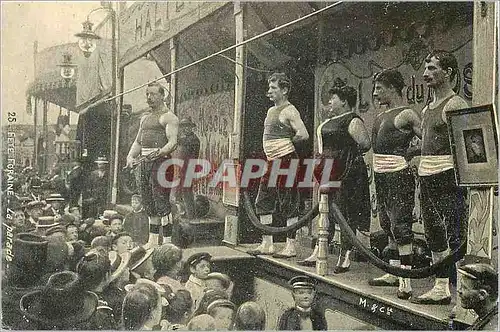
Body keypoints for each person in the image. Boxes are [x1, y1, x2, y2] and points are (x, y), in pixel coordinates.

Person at [411, 50, 469, 305]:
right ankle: (441, 286)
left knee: (453, 231)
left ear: (448, 72)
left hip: (447, 176)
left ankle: (462, 290)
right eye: (426, 68)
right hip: (427, 175)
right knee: (433, 231)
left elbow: (466, 146)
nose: (426, 74)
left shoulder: (455, 104)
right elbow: (428, 143)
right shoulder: (427, 109)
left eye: (433, 68)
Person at [298, 80, 371, 273]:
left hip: (346, 171)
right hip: (327, 169)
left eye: (333, 98)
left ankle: (345, 255)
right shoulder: (328, 122)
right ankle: (319, 250)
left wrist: (345, 158)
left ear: (344, 101)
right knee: (325, 210)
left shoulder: (352, 120)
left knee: (345, 211)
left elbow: (364, 144)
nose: (329, 102)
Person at [367, 69, 422, 300]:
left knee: (401, 225)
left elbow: (428, 140)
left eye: (379, 88)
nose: (375, 93)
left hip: (398, 174)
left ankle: (405, 281)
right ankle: (392, 271)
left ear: (392, 88)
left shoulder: (408, 114)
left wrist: (410, 153)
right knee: (386, 222)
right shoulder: (381, 116)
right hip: (381, 175)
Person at [248, 73, 310, 258]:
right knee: (263, 200)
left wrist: (286, 143)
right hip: (271, 161)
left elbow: (303, 134)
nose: (269, 91)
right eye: (269, 88)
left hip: (286, 159)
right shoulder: (270, 111)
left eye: (273, 88)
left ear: (284, 90)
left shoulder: (290, 110)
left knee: (289, 202)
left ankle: (290, 246)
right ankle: (267, 244)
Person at [126, 82, 179, 249]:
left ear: (162, 96)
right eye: (147, 94)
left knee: (161, 201)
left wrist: (158, 153)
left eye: (153, 94)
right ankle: (153, 240)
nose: (149, 97)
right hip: (144, 163)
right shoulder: (145, 118)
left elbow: (172, 143)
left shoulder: (169, 117)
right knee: (148, 201)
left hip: (161, 163)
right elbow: (138, 142)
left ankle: (168, 242)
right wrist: (130, 156)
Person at [457, 263, 498, 330]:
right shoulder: (487, 315)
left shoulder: (492, 327)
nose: (459, 291)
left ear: (482, 294)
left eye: (464, 288)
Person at [176, 117, 201, 219]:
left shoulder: (193, 139)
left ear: (191, 128)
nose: (184, 129)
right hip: (185, 169)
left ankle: (191, 215)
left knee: (186, 192)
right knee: (184, 191)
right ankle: (187, 212)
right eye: (183, 127)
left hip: (189, 168)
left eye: (187, 126)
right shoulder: (187, 138)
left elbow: (181, 141)